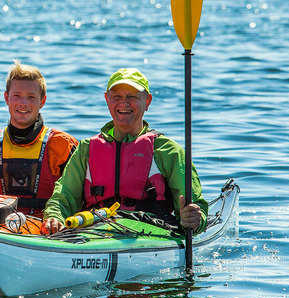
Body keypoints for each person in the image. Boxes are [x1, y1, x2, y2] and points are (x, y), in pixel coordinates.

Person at [42, 68, 208, 234]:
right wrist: (55, 217)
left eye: (132, 96)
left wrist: (193, 219)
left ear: (147, 101)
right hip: (94, 230)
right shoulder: (86, 149)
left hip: (152, 231)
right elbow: (64, 196)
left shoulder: (167, 151)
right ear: (107, 100)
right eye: (117, 97)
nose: (124, 103)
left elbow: (196, 207)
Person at [0, 62, 78, 215]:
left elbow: (78, 196)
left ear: (42, 101)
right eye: (17, 96)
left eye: (31, 97)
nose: (23, 103)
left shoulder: (62, 145)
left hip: (46, 225)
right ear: (7, 98)